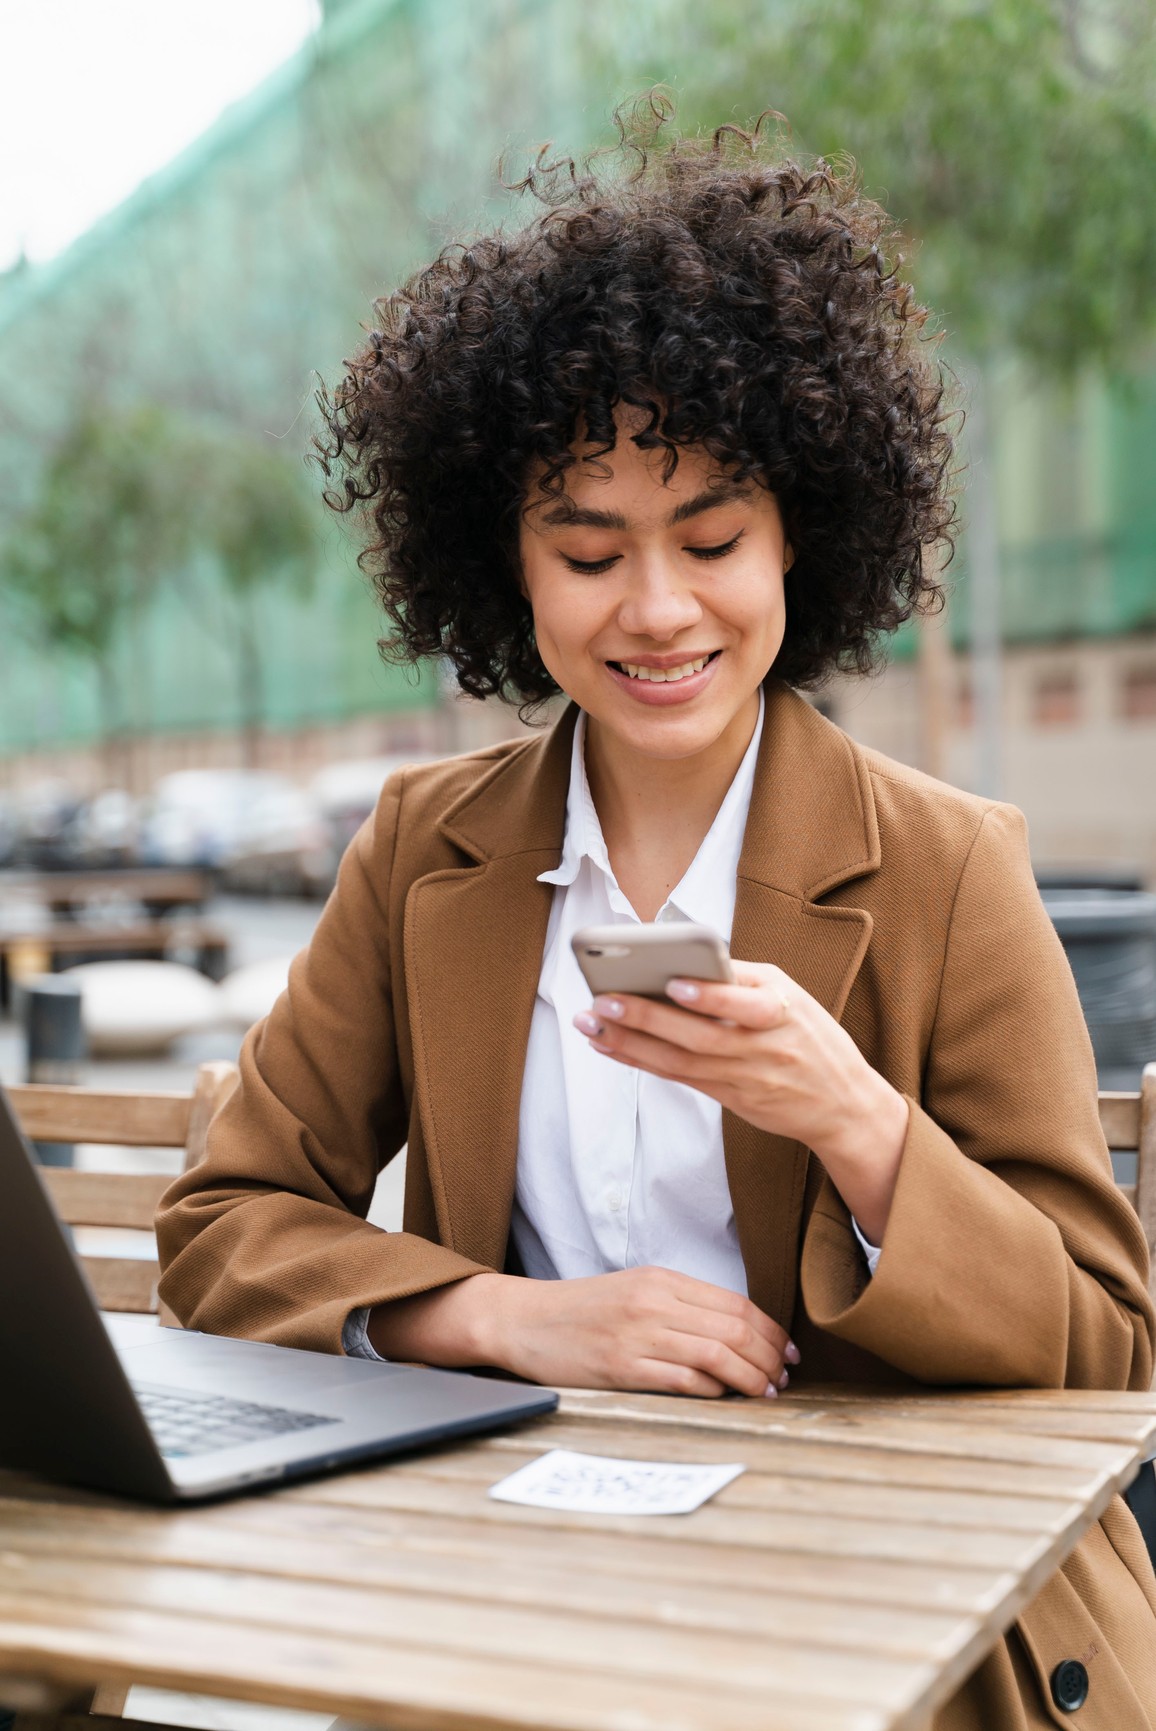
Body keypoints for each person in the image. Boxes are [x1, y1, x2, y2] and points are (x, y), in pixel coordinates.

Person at [157, 105, 1156, 1728]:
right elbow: (219, 1229)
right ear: (510, 571)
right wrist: (505, 1316)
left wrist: (856, 1123)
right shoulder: (426, 853)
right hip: (522, 1597)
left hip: (876, 1615)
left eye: (712, 539)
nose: (658, 609)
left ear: (799, 544)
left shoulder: (949, 866)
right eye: (586, 547)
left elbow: (1108, 1351)